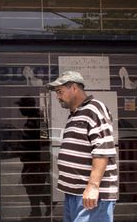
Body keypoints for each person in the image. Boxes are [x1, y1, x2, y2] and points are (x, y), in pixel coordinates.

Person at [45, 71, 118, 222]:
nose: (57, 96)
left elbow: (102, 150)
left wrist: (93, 186)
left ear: (74, 88)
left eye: (60, 91)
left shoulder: (94, 109)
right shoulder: (75, 114)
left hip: (91, 195)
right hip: (74, 193)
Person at [16, 97, 51, 217]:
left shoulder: (39, 121)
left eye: (21, 106)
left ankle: (42, 206)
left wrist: (42, 163)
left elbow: (45, 141)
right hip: (30, 161)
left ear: (27, 107)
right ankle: (38, 208)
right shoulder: (32, 119)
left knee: (33, 186)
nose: (20, 109)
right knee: (31, 185)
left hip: (36, 162)